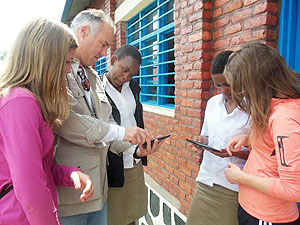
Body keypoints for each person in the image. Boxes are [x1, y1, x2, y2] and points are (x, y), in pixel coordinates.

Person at [54, 9, 151, 225]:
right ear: (84, 32)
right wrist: (122, 132)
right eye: (103, 44)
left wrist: (132, 143)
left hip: (99, 191)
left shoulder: (92, 77)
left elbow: (108, 126)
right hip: (72, 195)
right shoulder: (57, 69)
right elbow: (68, 122)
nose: (105, 52)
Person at [0, 18, 94, 225]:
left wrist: (70, 174)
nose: (69, 70)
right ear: (47, 59)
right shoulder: (20, 102)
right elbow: (30, 187)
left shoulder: (23, 100)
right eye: (67, 62)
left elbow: (38, 168)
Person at [224, 43, 300, 225]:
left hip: (267, 217)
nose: (243, 96)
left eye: (243, 88)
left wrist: (241, 178)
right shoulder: (274, 108)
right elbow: (273, 147)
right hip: (253, 209)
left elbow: (294, 188)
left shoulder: (285, 118)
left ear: (256, 83)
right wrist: (249, 140)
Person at [185, 50, 251, 225]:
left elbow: (259, 154)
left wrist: (233, 153)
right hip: (206, 179)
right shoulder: (213, 104)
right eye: (218, 86)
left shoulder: (253, 109)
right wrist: (201, 142)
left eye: (227, 83)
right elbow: (206, 136)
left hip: (232, 187)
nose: (224, 90)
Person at [102, 45, 164, 225]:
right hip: (113, 164)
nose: (126, 77)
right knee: (115, 217)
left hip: (135, 161)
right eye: (124, 70)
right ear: (113, 60)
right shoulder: (98, 90)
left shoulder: (133, 88)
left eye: (131, 74)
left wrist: (143, 147)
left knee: (133, 215)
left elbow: (135, 119)